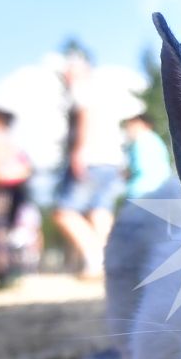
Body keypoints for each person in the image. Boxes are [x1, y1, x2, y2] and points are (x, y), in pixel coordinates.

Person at [53, 45, 126, 279]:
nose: (65, 75)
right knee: (100, 210)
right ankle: (111, 261)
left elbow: (84, 117)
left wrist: (77, 152)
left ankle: (95, 259)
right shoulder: (105, 91)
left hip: (92, 158)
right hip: (112, 160)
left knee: (64, 212)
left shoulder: (81, 89)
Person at [0, 104, 33, 291]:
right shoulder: (11, 143)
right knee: (8, 232)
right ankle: (14, 271)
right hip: (15, 192)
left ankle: (4, 273)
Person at [121, 111, 172, 200]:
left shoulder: (141, 140)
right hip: (160, 189)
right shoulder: (156, 140)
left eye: (132, 124)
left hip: (141, 191)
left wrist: (125, 174)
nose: (128, 128)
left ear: (144, 125)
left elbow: (138, 166)